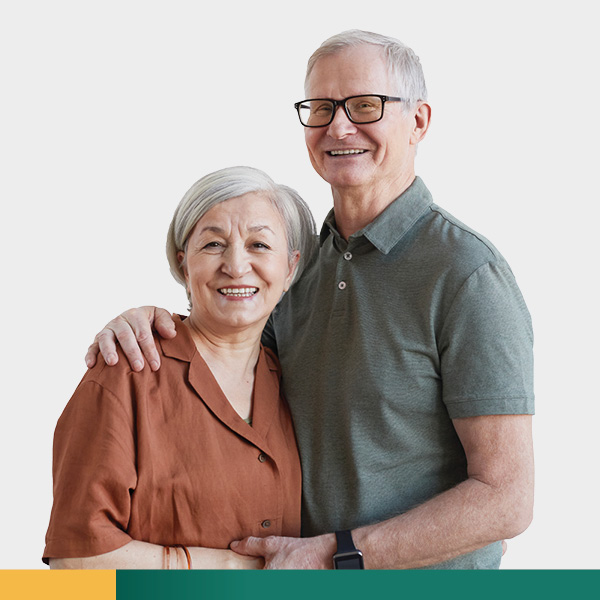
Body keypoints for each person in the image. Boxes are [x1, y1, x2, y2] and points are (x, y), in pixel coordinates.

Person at [85, 30, 535, 569]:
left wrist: (338, 553)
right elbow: (230, 355)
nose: (339, 127)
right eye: (321, 108)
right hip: (296, 578)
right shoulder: (298, 266)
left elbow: (506, 499)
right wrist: (151, 322)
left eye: (365, 105)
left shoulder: (467, 274)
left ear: (418, 122)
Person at [43, 166, 317, 569]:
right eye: (213, 245)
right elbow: (76, 562)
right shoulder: (126, 371)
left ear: (290, 268)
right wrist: (238, 567)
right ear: (183, 263)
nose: (236, 265)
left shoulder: (294, 381)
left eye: (259, 244)